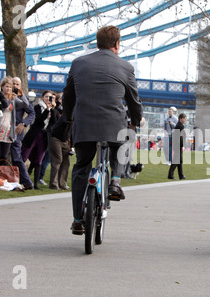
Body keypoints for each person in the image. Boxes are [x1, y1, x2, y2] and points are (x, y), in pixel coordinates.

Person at [62, 25, 143, 235]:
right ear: (117, 44)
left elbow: (68, 97)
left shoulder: (78, 63)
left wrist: (68, 119)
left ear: (97, 43)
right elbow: (134, 101)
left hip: (84, 125)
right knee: (124, 140)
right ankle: (115, 180)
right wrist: (135, 120)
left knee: (81, 166)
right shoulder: (125, 67)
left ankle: (78, 219)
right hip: (113, 125)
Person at [21, 90, 57, 189]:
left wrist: (53, 110)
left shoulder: (53, 109)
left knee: (38, 160)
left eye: (50, 98)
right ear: (42, 97)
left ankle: (35, 183)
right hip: (34, 135)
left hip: (44, 137)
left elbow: (53, 123)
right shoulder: (38, 107)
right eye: (46, 97)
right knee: (24, 156)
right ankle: (21, 178)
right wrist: (47, 110)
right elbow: (39, 120)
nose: (48, 99)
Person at [10, 77, 35, 189]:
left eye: (17, 84)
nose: (15, 86)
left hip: (16, 130)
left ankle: (26, 181)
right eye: (13, 84)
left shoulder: (23, 99)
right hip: (4, 129)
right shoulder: (6, 95)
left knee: (16, 156)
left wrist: (23, 124)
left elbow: (32, 114)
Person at [168, 113, 187, 180]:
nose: (185, 120)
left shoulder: (179, 125)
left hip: (176, 145)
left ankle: (181, 175)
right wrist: (182, 146)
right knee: (177, 161)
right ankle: (170, 175)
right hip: (178, 145)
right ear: (180, 118)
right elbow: (180, 137)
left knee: (179, 161)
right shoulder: (180, 126)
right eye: (184, 118)